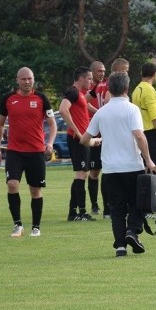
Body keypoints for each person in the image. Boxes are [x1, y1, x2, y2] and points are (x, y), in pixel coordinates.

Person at [80, 71, 155, 257]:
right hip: (132, 166)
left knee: (117, 209)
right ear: (126, 89)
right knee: (139, 204)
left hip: (111, 170)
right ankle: (132, 231)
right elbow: (139, 135)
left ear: (109, 90)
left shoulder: (102, 112)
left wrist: (94, 142)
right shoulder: (131, 109)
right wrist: (148, 159)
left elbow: (84, 139)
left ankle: (120, 246)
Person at [0, 67, 57, 238]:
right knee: (12, 184)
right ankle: (17, 225)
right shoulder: (8, 99)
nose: (27, 82)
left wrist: (49, 144)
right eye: (24, 79)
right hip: (15, 152)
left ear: (33, 79)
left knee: (35, 190)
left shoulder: (42, 99)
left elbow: (52, 124)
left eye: (30, 79)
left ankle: (36, 227)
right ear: (17, 80)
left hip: (36, 152)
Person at [132, 61, 156, 218]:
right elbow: (155, 117)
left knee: (146, 170)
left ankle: (147, 207)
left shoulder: (136, 90)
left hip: (141, 133)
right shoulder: (149, 91)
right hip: (151, 133)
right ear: (155, 74)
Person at [59, 66, 95, 221]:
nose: (91, 82)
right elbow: (62, 109)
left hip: (82, 139)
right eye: (89, 78)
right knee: (81, 174)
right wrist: (78, 132)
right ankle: (81, 212)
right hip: (77, 139)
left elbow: (87, 110)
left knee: (83, 174)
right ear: (81, 78)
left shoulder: (80, 94)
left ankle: (73, 212)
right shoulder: (73, 92)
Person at [86, 61, 107, 216]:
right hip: (93, 134)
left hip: (106, 134)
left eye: (104, 71)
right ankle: (94, 204)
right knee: (94, 171)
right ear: (92, 72)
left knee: (107, 170)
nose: (102, 73)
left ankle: (109, 205)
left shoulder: (107, 86)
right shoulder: (88, 88)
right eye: (99, 71)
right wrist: (99, 112)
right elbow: (83, 102)